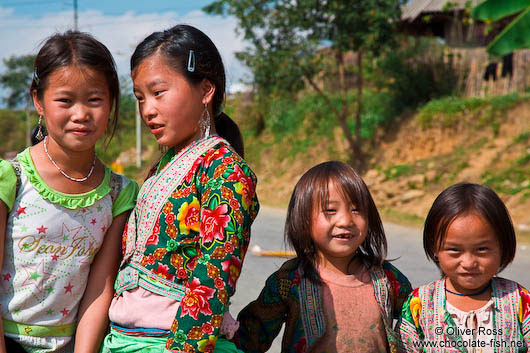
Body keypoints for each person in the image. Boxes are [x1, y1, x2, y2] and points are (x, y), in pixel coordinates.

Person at [101, 24, 259, 353]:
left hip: (174, 345)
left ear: (205, 90)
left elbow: (214, 271)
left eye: (158, 93)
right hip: (124, 340)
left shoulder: (225, 170)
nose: (148, 110)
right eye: (140, 98)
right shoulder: (161, 168)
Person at [0, 31, 139, 353]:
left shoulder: (120, 193)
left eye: (94, 100)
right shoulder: (11, 178)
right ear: (39, 100)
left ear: (111, 103)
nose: (81, 114)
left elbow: (100, 287)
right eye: (65, 100)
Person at [234, 161, 411, 353]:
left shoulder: (388, 279)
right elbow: (249, 337)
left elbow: (418, 327)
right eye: (330, 210)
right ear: (304, 219)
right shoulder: (289, 281)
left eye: (356, 209)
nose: (345, 221)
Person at [398, 182, 530, 352]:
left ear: (503, 246)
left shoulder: (520, 301)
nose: (468, 263)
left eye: (482, 249)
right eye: (454, 250)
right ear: (434, 247)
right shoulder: (419, 304)